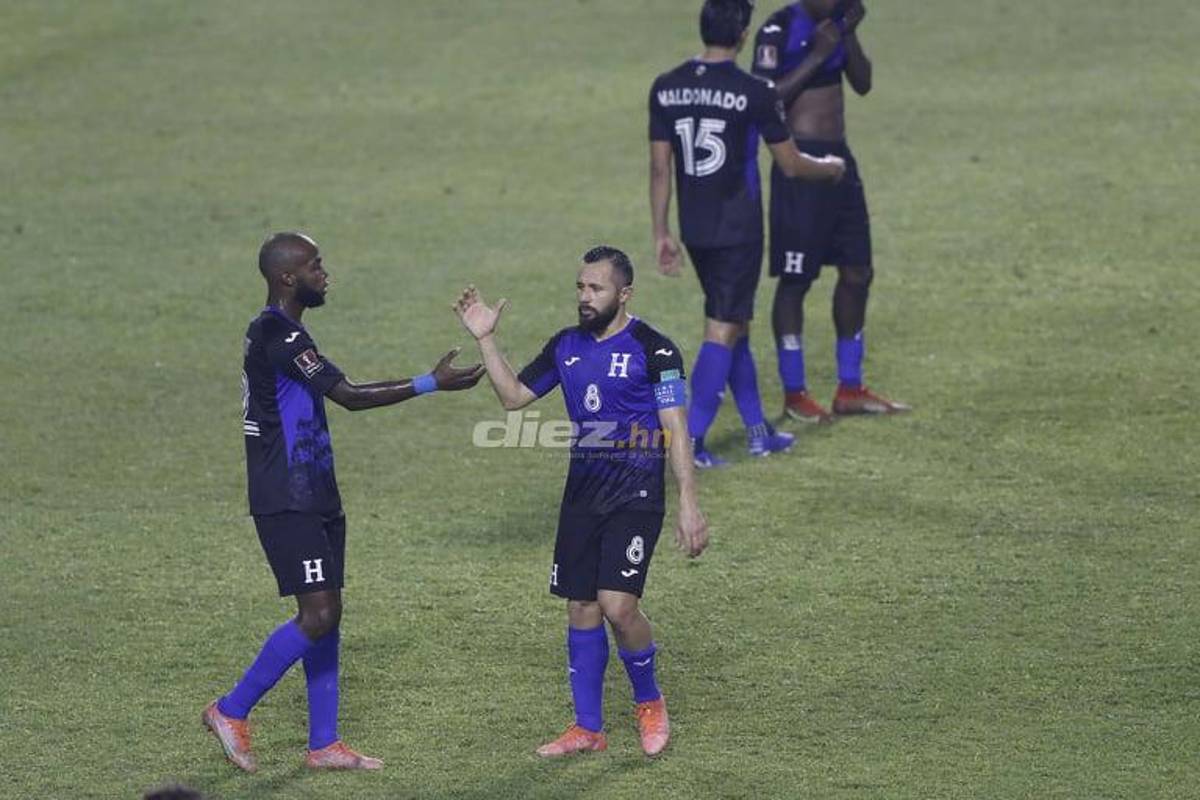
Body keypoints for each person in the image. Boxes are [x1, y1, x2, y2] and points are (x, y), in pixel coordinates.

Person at [203, 232, 485, 772]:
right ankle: (230, 709)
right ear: (287, 277)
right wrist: (431, 382)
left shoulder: (284, 331)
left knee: (327, 613)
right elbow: (350, 396)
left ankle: (324, 744)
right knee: (319, 612)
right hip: (287, 496)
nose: (324, 273)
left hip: (316, 491)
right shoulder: (278, 335)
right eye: (314, 265)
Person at [453, 246, 708, 757]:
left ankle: (649, 700)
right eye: (581, 287)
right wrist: (487, 340)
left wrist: (689, 502)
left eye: (597, 289)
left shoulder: (656, 350)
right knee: (581, 606)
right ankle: (588, 729)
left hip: (635, 493)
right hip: (583, 495)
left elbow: (675, 428)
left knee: (617, 605)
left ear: (624, 294)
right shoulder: (566, 345)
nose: (585, 297)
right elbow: (514, 397)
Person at [650, 0, 846, 467]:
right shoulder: (755, 91)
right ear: (742, 35)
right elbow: (791, 164)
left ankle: (759, 432)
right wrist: (831, 168)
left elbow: (660, 167)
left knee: (735, 324)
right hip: (737, 229)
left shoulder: (666, 86)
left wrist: (661, 231)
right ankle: (690, 441)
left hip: (694, 228)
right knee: (722, 328)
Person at [753, 0, 910, 420]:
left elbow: (863, 84)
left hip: (840, 160)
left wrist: (849, 34)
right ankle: (794, 393)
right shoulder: (779, 28)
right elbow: (764, 99)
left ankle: (850, 387)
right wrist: (818, 55)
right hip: (799, 163)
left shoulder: (836, 23)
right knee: (795, 279)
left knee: (858, 271)